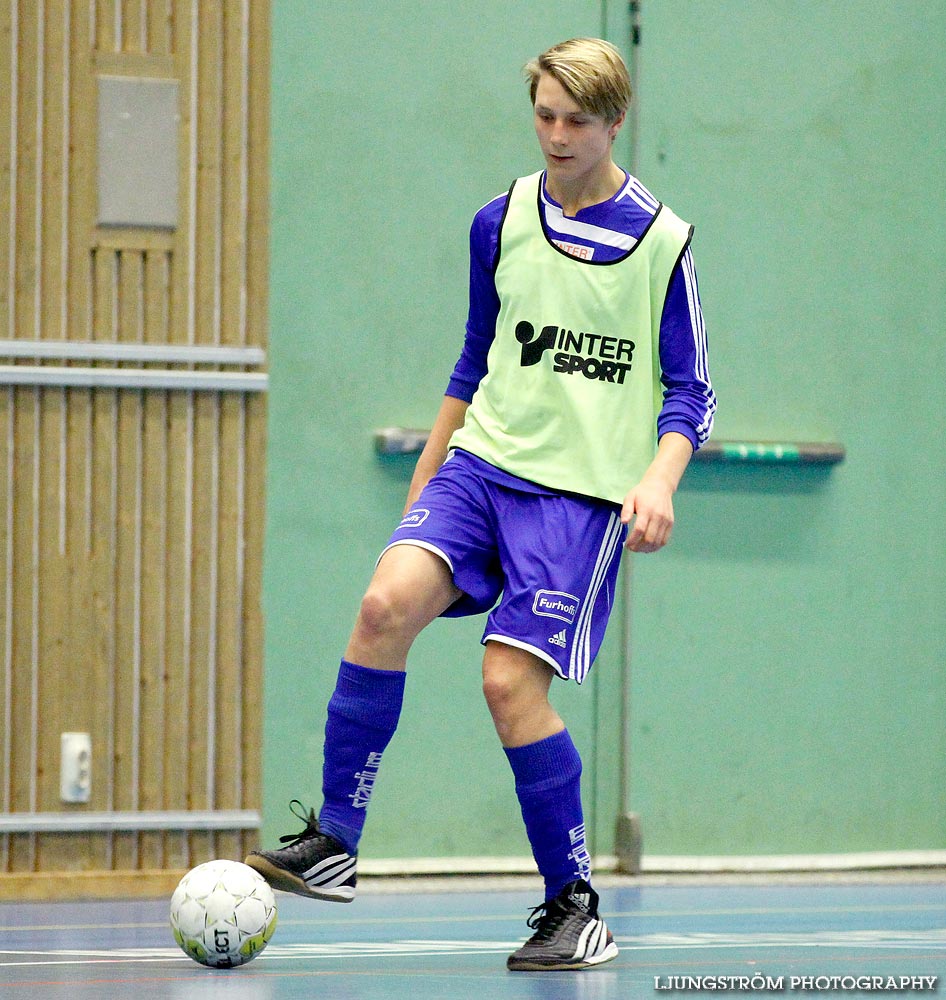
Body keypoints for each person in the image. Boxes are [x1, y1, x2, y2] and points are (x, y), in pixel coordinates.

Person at [247, 37, 716, 972]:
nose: (556, 135)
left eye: (577, 120)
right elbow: (473, 357)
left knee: (508, 686)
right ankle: (335, 840)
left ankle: (573, 904)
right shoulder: (498, 220)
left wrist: (658, 479)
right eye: (543, 114)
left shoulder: (663, 243)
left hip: (576, 502)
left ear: (616, 120)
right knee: (383, 606)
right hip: (479, 468)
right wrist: (428, 476)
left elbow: (689, 393)